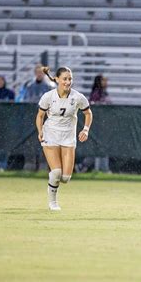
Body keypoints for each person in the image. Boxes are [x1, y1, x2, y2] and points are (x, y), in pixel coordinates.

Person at [35, 67, 93, 211]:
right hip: (51, 134)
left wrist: (85, 129)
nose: (68, 82)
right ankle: (52, 202)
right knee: (56, 173)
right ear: (57, 80)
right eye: (65, 79)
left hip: (68, 136)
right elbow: (40, 116)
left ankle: (52, 181)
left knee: (65, 178)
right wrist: (40, 130)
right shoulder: (48, 96)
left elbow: (88, 113)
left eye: (70, 79)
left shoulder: (78, 97)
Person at [89, 75, 110, 173]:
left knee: (103, 147)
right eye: (103, 81)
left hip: (104, 124)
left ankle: (103, 168)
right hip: (98, 124)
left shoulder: (104, 93)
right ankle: (97, 168)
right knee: (98, 147)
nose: (106, 83)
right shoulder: (97, 93)